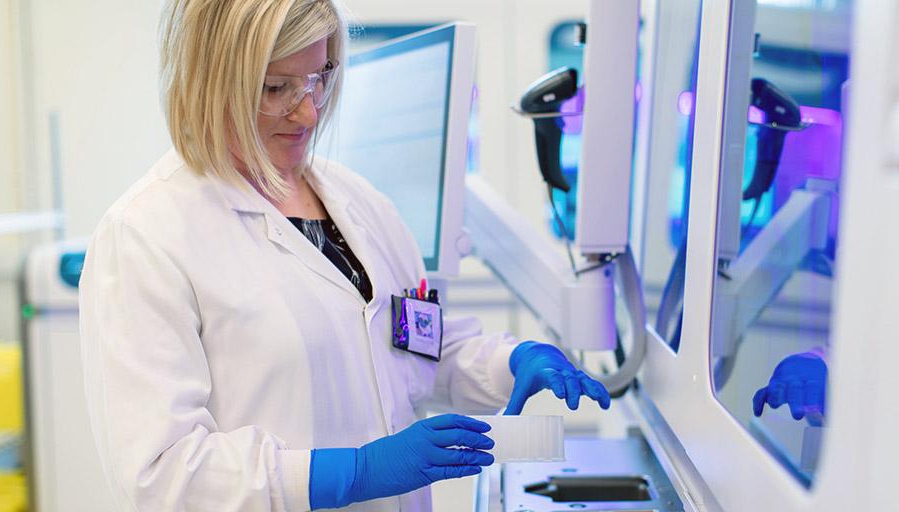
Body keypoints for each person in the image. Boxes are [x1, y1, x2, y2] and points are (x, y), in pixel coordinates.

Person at [78, 1, 610, 511]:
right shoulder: (145, 236)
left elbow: (411, 345)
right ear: (212, 84)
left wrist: (508, 362)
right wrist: (351, 472)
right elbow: (162, 475)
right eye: (275, 88)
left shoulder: (357, 202)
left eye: (320, 76)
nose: (308, 110)